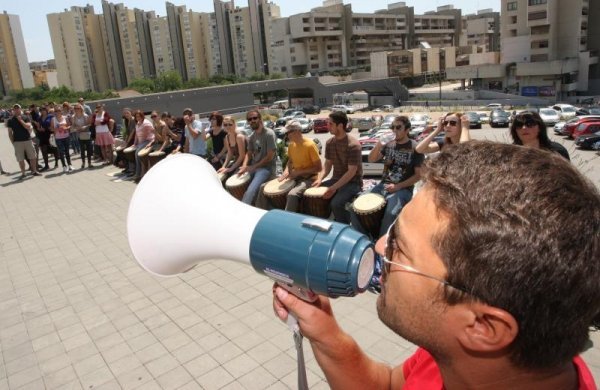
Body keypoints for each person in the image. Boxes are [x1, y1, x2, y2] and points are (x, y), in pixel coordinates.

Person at [273, 141, 600, 390]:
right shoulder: (457, 350)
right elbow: (389, 384)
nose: (380, 246)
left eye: (400, 246)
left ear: (483, 327)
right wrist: (324, 332)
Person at [350, 115, 423, 238]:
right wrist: (379, 143)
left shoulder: (415, 147)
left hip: (403, 189)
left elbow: (419, 175)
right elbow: (371, 159)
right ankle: (363, 239)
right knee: (354, 207)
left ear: (407, 130)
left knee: (390, 212)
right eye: (392, 127)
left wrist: (398, 186)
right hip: (383, 185)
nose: (394, 130)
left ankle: (382, 243)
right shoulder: (388, 144)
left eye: (398, 127)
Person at [255, 120, 322, 212]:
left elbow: (319, 168)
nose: (286, 135)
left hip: (309, 179)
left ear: (297, 131)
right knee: (263, 187)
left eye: (288, 132)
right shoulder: (291, 146)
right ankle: (260, 212)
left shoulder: (310, 145)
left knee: (292, 195)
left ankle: (287, 219)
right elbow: (290, 161)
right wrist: (286, 172)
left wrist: (299, 172)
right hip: (295, 177)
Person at [312, 111, 362, 223]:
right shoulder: (329, 142)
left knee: (336, 203)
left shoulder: (353, 145)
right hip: (335, 180)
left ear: (340, 125)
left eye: (330, 124)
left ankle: (344, 228)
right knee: (312, 194)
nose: (327, 126)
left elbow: (351, 172)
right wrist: (320, 179)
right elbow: (327, 164)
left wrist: (333, 188)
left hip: (353, 183)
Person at [239, 109, 277, 205]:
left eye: (254, 118)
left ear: (260, 119)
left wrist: (253, 167)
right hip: (255, 167)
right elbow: (249, 153)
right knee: (236, 183)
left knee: (250, 192)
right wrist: (244, 166)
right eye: (249, 119)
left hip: (266, 168)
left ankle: (243, 212)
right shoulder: (252, 136)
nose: (252, 121)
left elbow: (270, 156)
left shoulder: (269, 134)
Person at [6, 104, 41, 179]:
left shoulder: (25, 117)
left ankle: (34, 171)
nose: (16, 110)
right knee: (20, 158)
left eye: (17, 108)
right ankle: (23, 173)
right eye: (15, 109)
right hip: (17, 142)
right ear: (13, 110)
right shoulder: (10, 120)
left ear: (20, 109)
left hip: (28, 140)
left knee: (33, 156)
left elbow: (28, 126)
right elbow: (9, 133)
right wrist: (13, 143)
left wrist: (20, 120)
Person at [132, 110, 155, 183]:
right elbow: (136, 134)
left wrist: (151, 143)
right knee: (136, 153)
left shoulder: (146, 123)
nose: (137, 118)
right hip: (141, 142)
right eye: (136, 116)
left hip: (148, 141)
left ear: (142, 116)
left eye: (139, 116)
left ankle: (138, 174)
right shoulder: (138, 123)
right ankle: (138, 173)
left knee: (137, 154)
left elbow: (154, 132)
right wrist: (134, 143)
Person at [51, 106, 73, 173]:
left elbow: (69, 125)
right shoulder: (53, 119)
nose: (58, 112)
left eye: (59, 110)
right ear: (55, 112)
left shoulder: (65, 117)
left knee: (67, 152)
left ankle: (69, 165)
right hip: (58, 138)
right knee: (61, 152)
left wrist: (66, 128)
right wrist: (57, 129)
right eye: (56, 111)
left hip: (66, 136)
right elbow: (51, 128)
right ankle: (64, 166)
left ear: (61, 111)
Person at [71, 103, 92, 169]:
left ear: (81, 109)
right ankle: (83, 162)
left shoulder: (85, 115)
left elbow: (89, 124)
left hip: (86, 133)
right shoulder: (73, 117)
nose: (77, 109)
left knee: (89, 149)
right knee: (82, 149)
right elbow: (73, 125)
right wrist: (77, 127)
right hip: (79, 134)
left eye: (78, 108)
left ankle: (89, 162)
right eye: (75, 108)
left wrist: (84, 127)